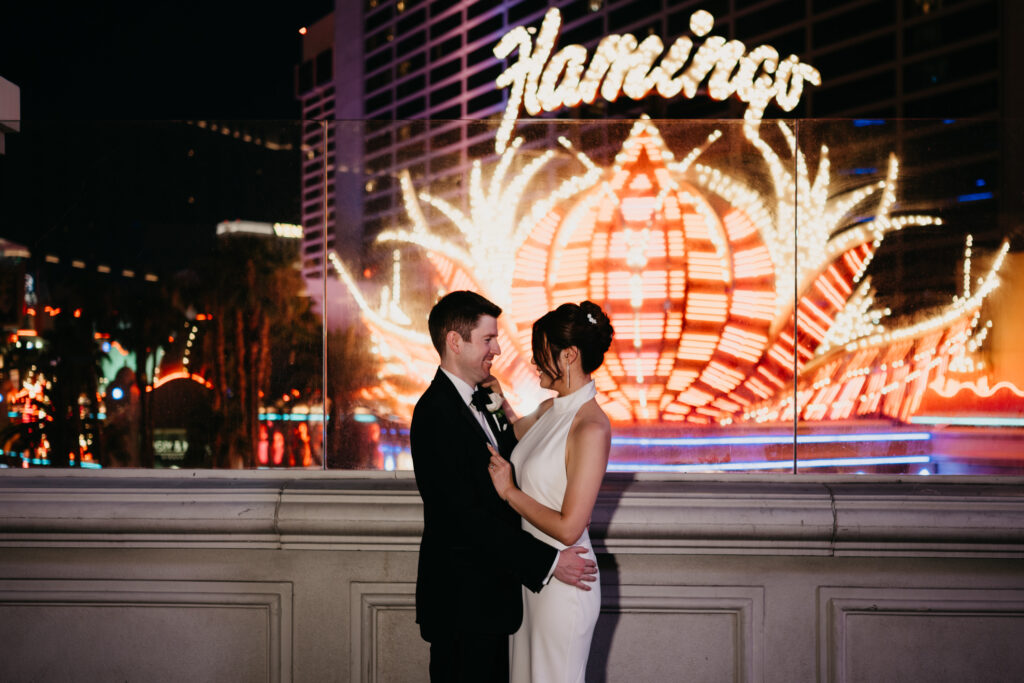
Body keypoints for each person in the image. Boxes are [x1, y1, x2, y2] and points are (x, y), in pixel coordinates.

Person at [411, 290, 598, 682]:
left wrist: (504, 410)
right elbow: (463, 516)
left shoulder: (484, 398)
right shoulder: (434, 413)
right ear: (455, 342)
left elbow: (516, 460)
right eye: (488, 340)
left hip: (500, 599)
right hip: (464, 605)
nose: (497, 349)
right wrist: (547, 563)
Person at [486, 300, 614, 683]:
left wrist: (509, 492)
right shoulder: (549, 409)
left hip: (566, 585)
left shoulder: (591, 427)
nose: (533, 359)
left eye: (542, 349)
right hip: (536, 577)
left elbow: (569, 527)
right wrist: (495, 396)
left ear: (570, 354)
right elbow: (517, 435)